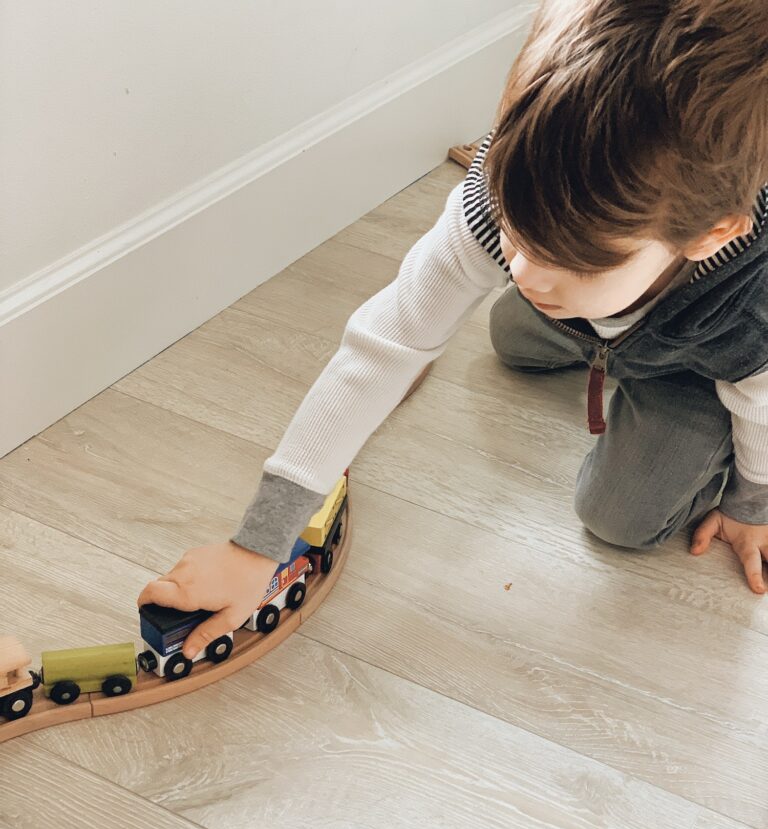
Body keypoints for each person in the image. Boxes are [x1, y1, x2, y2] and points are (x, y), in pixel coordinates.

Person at [138, 0, 768, 658]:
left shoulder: (748, 304)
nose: (522, 267)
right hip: (606, 326)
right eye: (515, 230)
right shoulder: (512, 181)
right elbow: (384, 345)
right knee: (513, 335)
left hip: (696, 366)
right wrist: (258, 544)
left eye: (574, 261)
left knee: (619, 517)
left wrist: (754, 503)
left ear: (711, 235)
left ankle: (672, 398)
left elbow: (762, 400)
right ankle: (593, 329)